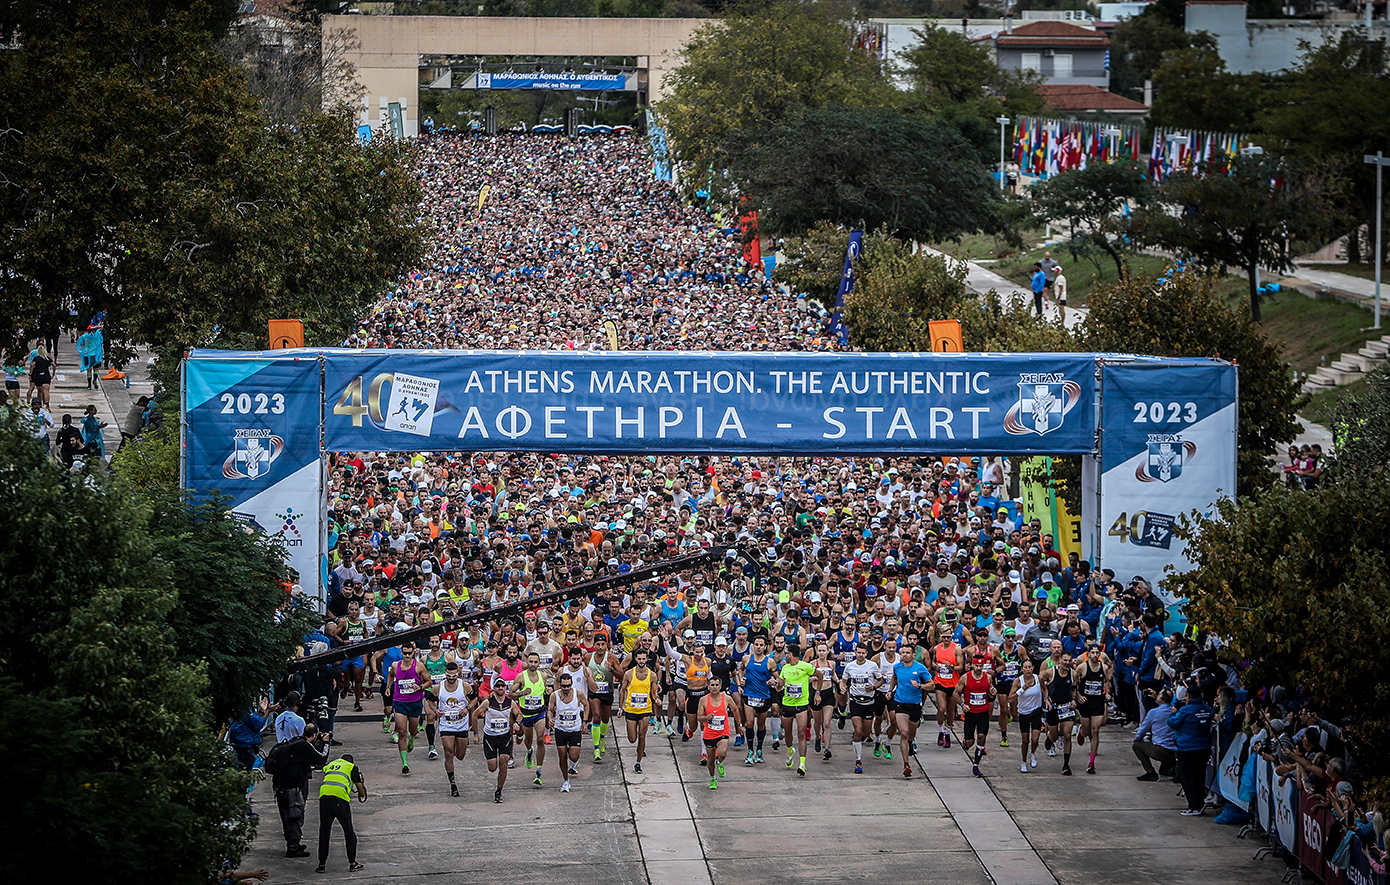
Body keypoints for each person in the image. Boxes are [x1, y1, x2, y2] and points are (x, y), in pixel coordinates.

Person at [271, 722, 330, 858]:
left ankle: (293, 843)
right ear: (314, 735)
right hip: (293, 787)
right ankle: (293, 848)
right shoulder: (304, 746)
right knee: (295, 816)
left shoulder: (296, 742)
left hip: (280, 786)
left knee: (287, 816)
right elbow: (321, 759)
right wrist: (326, 743)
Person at [1169, 681, 1215, 816]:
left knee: (1188, 778)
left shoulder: (1185, 710)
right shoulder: (1207, 709)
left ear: (1188, 696)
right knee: (1200, 777)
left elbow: (1173, 723)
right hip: (1204, 748)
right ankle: (1199, 803)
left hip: (1187, 748)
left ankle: (1193, 806)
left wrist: (1173, 713)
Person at [316, 752, 367, 874]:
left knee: (324, 831)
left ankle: (321, 864)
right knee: (348, 831)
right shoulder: (351, 767)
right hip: (339, 799)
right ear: (352, 762)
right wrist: (360, 781)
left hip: (324, 797)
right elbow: (362, 793)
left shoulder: (331, 764)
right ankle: (353, 863)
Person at [387, 641, 432, 775]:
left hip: (415, 702)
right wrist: (389, 687)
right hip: (400, 702)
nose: (407, 656)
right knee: (401, 731)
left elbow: (429, 681)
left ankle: (412, 738)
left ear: (413, 653)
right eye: (405, 653)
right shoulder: (396, 665)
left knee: (413, 730)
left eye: (409, 653)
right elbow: (390, 675)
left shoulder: (419, 666)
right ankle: (405, 763)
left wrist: (421, 687)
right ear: (401, 653)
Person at [889, 644, 933, 778]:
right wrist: (890, 691)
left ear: (914, 655)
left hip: (914, 706)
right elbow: (894, 678)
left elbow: (931, 684)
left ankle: (910, 742)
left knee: (911, 734)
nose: (905, 655)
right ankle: (906, 764)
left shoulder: (920, 668)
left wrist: (920, 685)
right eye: (903, 652)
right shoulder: (897, 667)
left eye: (908, 653)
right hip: (900, 704)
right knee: (903, 732)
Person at [475, 678, 521, 803]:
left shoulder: (510, 702)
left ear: (505, 688)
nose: (500, 688)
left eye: (502, 686)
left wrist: (517, 722)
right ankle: (493, 766)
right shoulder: (487, 703)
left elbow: (519, 714)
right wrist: (475, 734)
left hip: (505, 736)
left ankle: (499, 790)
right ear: (494, 688)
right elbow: (475, 714)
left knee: (504, 762)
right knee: (492, 767)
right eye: (498, 686)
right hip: (490, 737)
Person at [840, 643, 881, 774]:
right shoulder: (850, 666)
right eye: (859, 652)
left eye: (863, 653)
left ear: (866, 654)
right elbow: (844, 680)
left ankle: (861, 739)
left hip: (869, 702)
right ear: (855, 652)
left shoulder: (872, 666)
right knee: (857, 730)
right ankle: (858, 760)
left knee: (865, 732)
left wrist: (874, 687)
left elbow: (880, 680)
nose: (861, 655)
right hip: (855, 701)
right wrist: (842, 687)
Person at [776, 643, 815, 776]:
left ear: (790, 655)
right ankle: (790, 750)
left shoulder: (805, 666)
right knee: (788, 733)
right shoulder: (785, 668)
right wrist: (779, 684)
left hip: (802, 704)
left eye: (786, 654)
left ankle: (802, 763)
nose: (784, 656)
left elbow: (819, 675)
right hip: (787, 704)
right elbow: (779, 687)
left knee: (801, 733)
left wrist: (819, 692)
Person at [1073, 642, 1112, 774]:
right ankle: (1081, 731)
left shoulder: (1104, 667)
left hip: (1098, 702)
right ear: (1088, 654)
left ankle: (1091, 763)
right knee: (1087, 732)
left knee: (1095, 730)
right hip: (1085, 702)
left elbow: (1106, 681)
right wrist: (1078, 696)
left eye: (1097, 653)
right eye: (1093, 653)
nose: (1095, 655)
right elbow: (1074, 685)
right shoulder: (1081, 668)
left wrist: (1107, 693)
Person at [435, 661, 472, 797]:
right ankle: (453, 783)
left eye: (454, 676)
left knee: (460, 756)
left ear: (458, 674)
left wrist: (467, 708)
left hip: (461, 724)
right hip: (446, 725)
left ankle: (457, 745)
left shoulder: (465, 686)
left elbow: (474, 699)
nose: (451, 679)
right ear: (445, 674)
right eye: (449, 676)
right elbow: (430, 701)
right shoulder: (439, 687)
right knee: (448, 753)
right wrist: (435, 710)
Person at [548, 668, 588, 793]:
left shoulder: (578, 694)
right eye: (564, 686)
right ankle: (566, 781)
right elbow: (550, 709)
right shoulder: (554, 695)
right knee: (562, 756)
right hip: (560, 729)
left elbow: (586, 705)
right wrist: (550, 718)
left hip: (575, 729)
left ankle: (573, 764)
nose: (566, 688)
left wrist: (585, 721)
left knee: (574, 756)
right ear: (560, 685)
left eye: (568, 686)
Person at [738, 634, 775, 765]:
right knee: (749, 723)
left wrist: (773, 681)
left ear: (765, 647)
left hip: (763, 696)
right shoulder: (747, 658)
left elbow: (776, 677)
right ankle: (749, 751)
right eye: (756, 644)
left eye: (761, 645)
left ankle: (759, 750)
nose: (758, 647)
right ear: (753, 645)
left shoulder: (770, 661)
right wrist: (740, 681)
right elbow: (741, 670)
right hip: (749, 694)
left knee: (761, 724)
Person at [585, 633, 622, 762]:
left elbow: (621, 675)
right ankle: (596, 748)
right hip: (594, 692)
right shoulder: (588, 657)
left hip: (607, 691)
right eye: (598, 644)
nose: (600, 647)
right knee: (596, 715)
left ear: (606, 645)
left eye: (603, 644)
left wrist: (611, 670)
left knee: (605, 718)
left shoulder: (612, 657)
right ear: (594, 645)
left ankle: (601, 737)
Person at [620, 647, 656, 774]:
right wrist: (620, 707)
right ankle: (638, 750)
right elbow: (622, 690)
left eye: (643, 659)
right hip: (631, 709)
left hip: (645, 709)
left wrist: (657, 700)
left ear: (647, 659)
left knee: (642, 736)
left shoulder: (652, 675)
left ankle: (638, 762)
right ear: (635, 659)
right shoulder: (629, 674)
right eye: (639, 659)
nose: (641, 661)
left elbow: (654, 692)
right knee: (632, 738)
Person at [514, 651, 549, 784]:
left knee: (540, 739)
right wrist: (522, 693)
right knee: (528, 740)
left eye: (535, 662)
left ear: (539, 663)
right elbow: (511, 694)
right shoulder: (521, 677)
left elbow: (544, 689)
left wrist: (547, 691)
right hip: (526, 714)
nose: (533, 664)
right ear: (527, 662)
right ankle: (529, 751)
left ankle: (538, 772)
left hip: (539, 712)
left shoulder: (543, 676)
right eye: (531, 662)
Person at [1042, 651, 1077, 775]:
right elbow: (1041, 681)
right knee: (1055, 735)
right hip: (1054, 707)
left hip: (1067, 707)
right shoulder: (1051, 672)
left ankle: (1066, 765)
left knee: (1067, 735)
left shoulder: (1074, 674)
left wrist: (1074, 699)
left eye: (1069, 661)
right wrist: (1046, 696)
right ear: (1060, 660)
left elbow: (1074, 688)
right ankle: (1050, 738)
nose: (1067, 663)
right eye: (1065, 660)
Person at [961, 655, 996, 778]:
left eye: (981, 666)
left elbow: (991, 694)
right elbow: (955, 693)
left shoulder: (988, 678)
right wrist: (962, 704)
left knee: (982, 737)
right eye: (977, 665)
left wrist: (992, 694)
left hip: (983, 712)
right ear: (972, 665)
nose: (979, 668)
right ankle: (966, 742)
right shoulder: (965, 678)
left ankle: (976, 765)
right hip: (970, 713)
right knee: (970, 742)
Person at [1132, 688, 1178, 782]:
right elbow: (1165, 707)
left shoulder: (1153, 713)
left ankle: (1150, 772)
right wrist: (1156, 698)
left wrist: (1138, 739)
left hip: (1160, 749)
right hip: (1174, 750)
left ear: (1160, 699)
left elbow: (1142, 730)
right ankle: (1167, 771)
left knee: (1136, 745)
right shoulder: (1174, 711)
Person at [1010, 658, 1045, 772]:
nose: (1028, 669)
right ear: (1022, 669)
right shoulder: (1018, 681)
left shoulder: (1038, 678)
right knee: (1025, 741)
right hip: (1024, 712)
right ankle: (1023, 762)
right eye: (1025, 667)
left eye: (1030, 667)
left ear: (1033, 668)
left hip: (1036, 710)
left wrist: (1047, 700)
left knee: (1035, 739)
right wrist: (1022, 689)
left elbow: (1045, 690)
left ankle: (1033, 753)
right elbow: (1010, 698)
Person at [698, 675, 732, 789]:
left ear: (720, 686)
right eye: (712, 685)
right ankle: (713, 778)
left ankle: (720, 762)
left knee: (722, 753)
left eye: (717, 685)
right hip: (709, 733)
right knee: (710, 759)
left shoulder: (726, 698)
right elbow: (699, 717)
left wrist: (740, 725)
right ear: (708, 686)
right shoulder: (703, 700)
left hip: (723, 731)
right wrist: (707, 718)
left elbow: (736, 710)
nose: (714, 687)